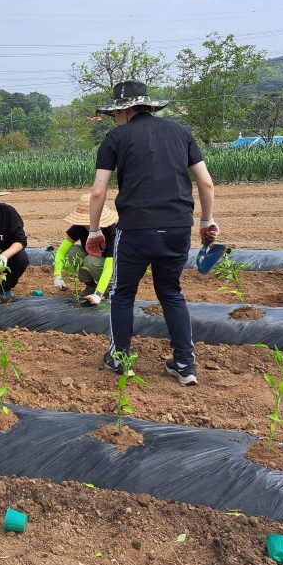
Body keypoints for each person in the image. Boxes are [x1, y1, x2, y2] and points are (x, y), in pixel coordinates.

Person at [86, 80, 218, 385]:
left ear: (126, 110)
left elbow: (97, 193)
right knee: (171, 292)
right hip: (177, 227)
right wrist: (205, 222)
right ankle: (184, 365)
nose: (115, 119)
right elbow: (206, 183)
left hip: (135, 229)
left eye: (116, 113)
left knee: (122, 294)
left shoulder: (116, 137)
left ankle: (120, 359)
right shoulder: (181, 132)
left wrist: (94, 231)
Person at [53, 193, 118, 305]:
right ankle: (91, 286)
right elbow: (61, 251)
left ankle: (111, 289)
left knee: (90, 261)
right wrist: (57, 276)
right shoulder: (81, 226)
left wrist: (99, 294)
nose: (88, 225)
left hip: (115, 270)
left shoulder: (111, 232)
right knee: (73, 251)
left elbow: (108, 267)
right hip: (97, 264)